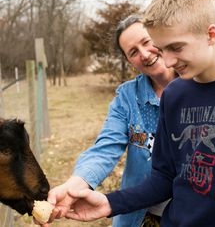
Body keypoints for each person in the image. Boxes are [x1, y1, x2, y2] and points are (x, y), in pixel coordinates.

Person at [52, 0, 215, 227]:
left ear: (211, 34)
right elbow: (165, 176)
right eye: (162, 49)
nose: (166, 60)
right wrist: (108, 203)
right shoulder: (174, 95)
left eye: (175, 47)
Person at [40, 15, 176, 227]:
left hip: (184, 214)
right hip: (136, 213)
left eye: (147, 41)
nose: (144, 54)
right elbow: (105, 148)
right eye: (133, 52)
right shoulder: (128, 98)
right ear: (129, 61)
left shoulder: (196, 87)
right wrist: (75, 186)